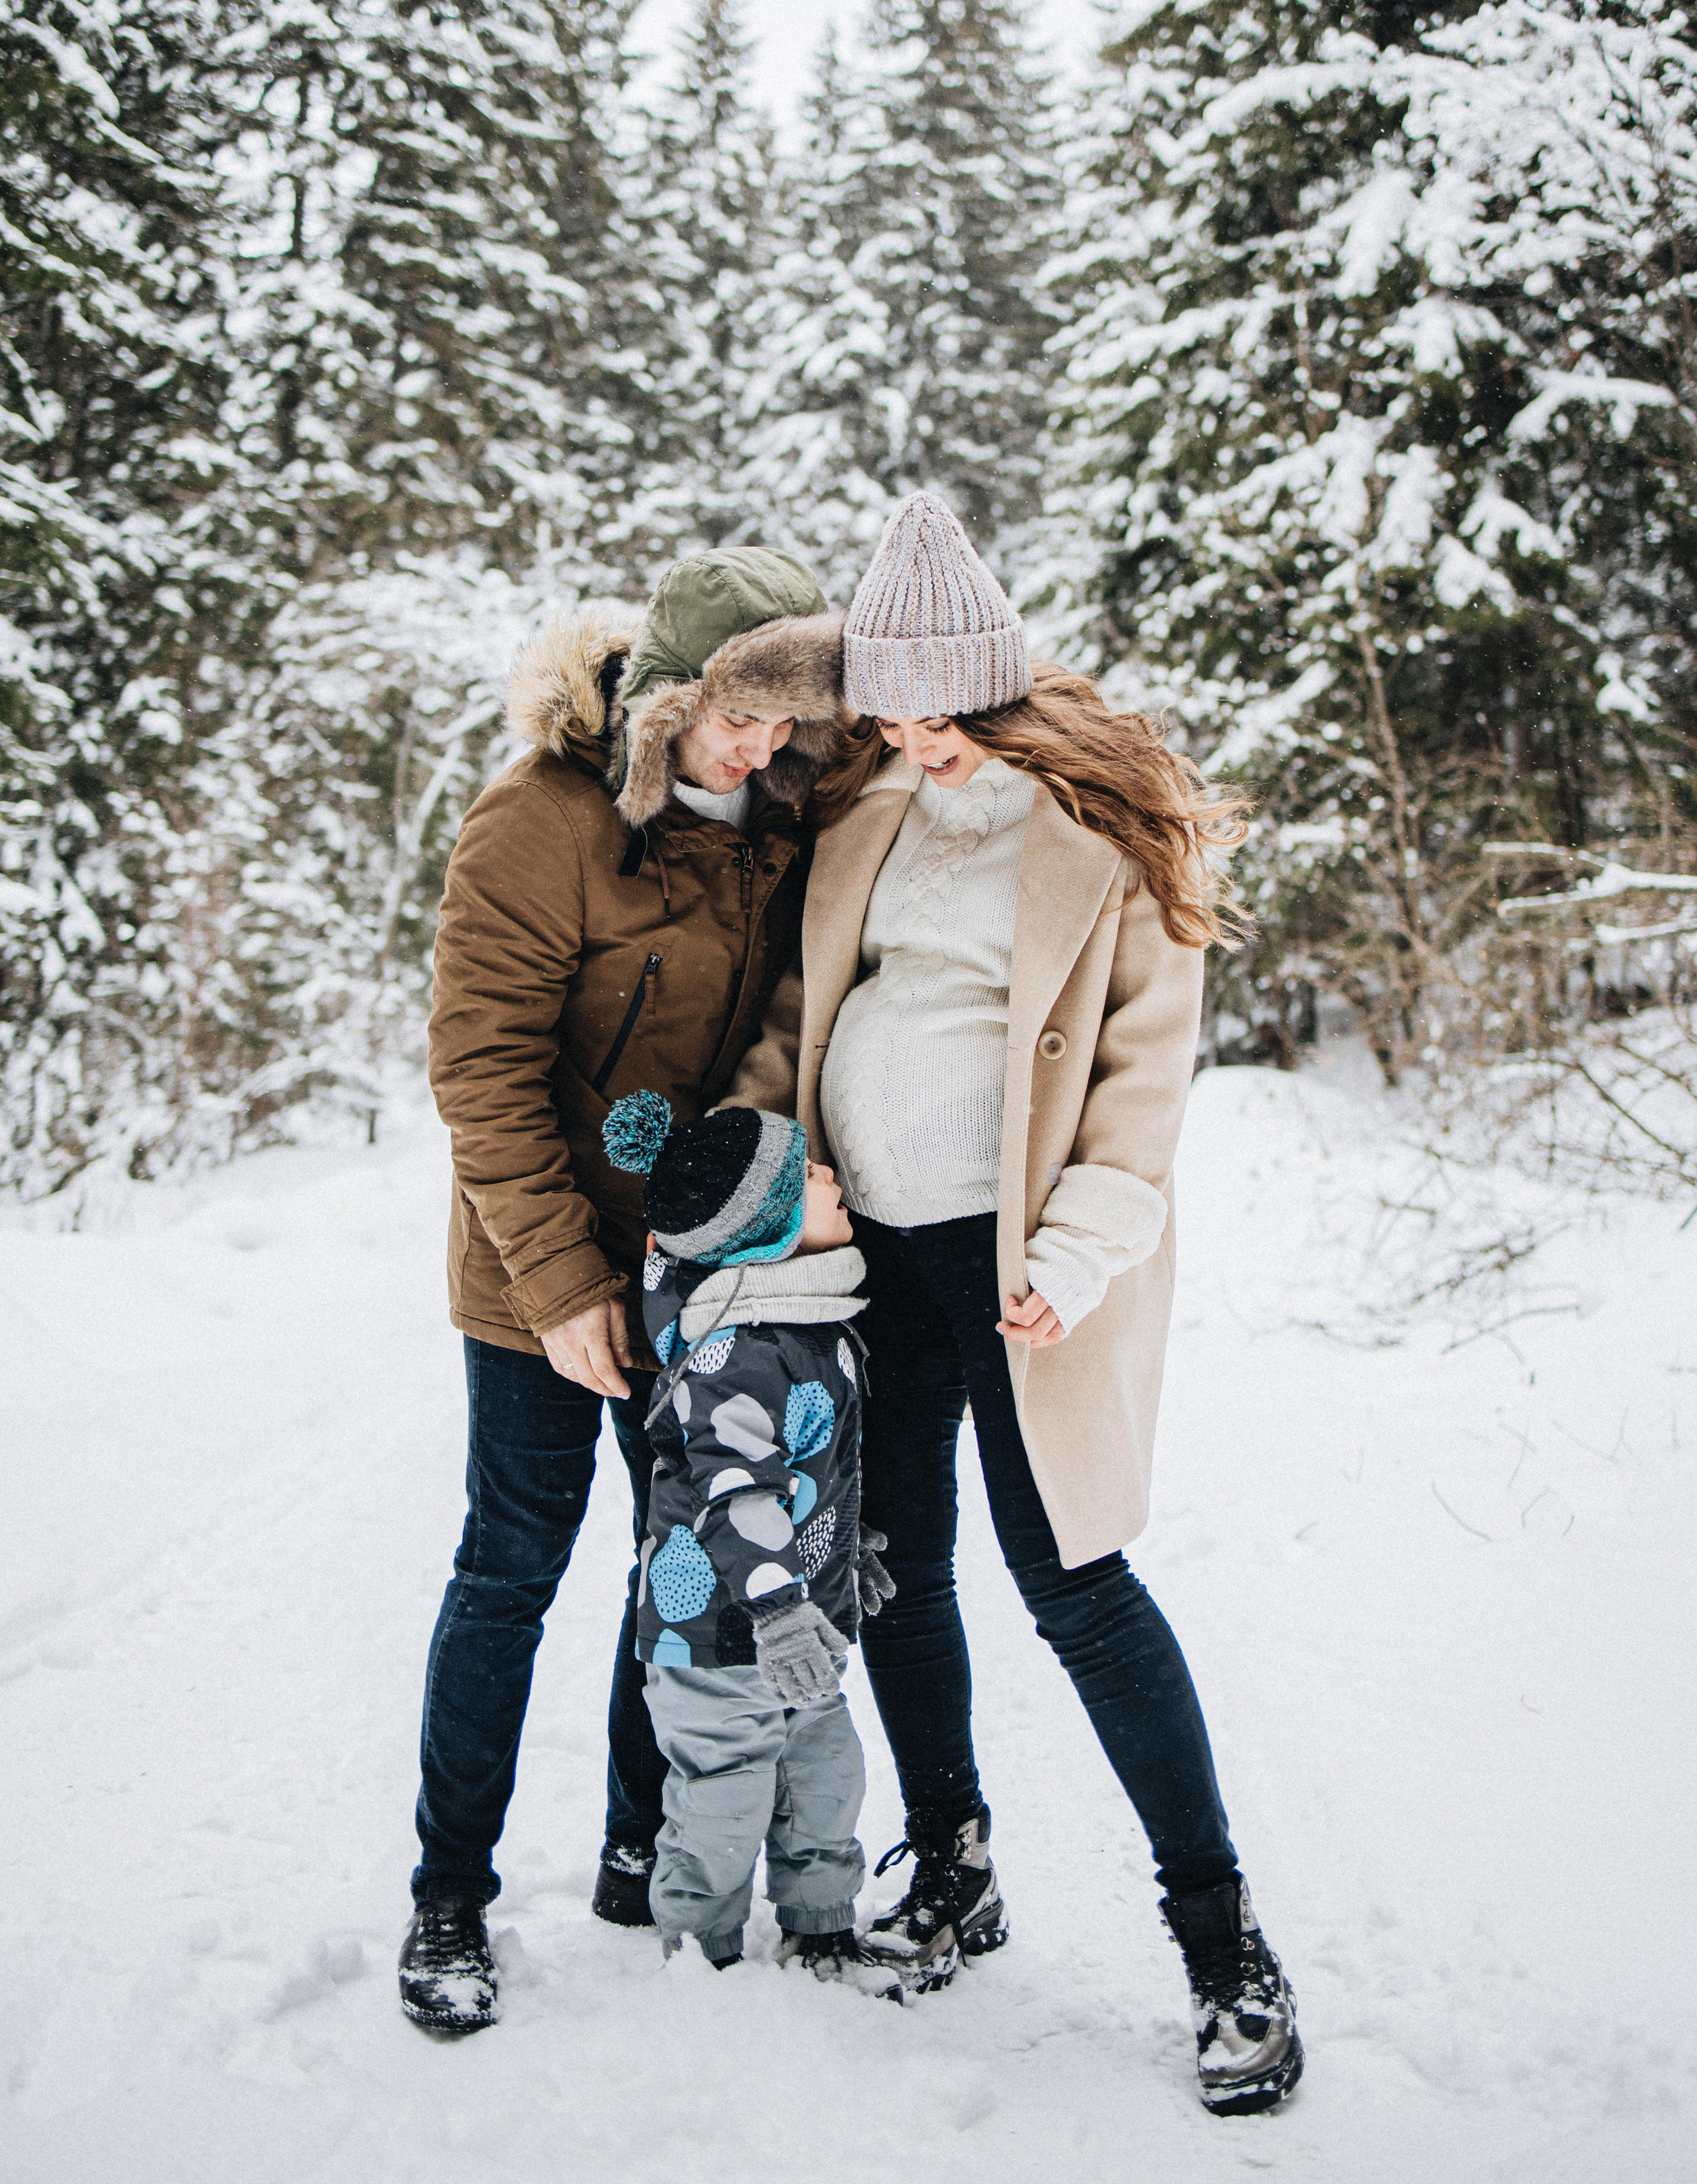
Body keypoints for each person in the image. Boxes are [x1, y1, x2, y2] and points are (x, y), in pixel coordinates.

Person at [728, 492, 1304, 2118]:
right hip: (870, 1257)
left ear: (995, 684)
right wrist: (771, 1171)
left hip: (1016, 1269)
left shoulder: (1102, 846)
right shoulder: (865, 814)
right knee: (900, 1568)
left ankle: (1222, 1945)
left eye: (936, 713)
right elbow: (794, 1016)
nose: (913, 741)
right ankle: (957, 1859)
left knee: (1077, 1589)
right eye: (888, 715)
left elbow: (1138, 1094)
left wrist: (1067, 1257)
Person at [401, 551, 845, 2039]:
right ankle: (448, 1893)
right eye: (737, 715)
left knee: (678, 1565)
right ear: (671, 691)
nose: (760, 746)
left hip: (692, 1269)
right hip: (540, 1271)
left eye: (786, 720)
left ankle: (634, 1840)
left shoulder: (785, 822)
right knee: (512, 1563)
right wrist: (562, 1285)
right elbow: (480, 1069)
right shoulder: (541, 820)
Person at [598, 1088, 908, 1992]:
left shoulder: (810, 1324)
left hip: (798, 1626)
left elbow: (815, 1473)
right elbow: (737, 1492)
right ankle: (704, 1956)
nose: (826, 1172)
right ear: (764, 1233)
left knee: (826, 1778)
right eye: (802, 1172)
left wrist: (848, 1547)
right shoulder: (737, 1350)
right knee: (724, 1795)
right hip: (719, 1636)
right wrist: (777, 1606)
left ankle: (819, 1927)